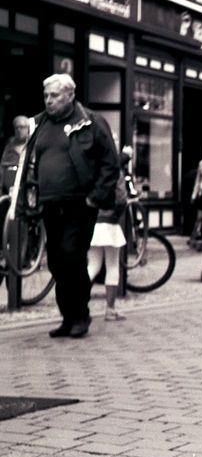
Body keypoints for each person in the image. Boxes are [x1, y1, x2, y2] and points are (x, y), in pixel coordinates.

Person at [19, 74, 120, 338]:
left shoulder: (92, 122)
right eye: (46, 96)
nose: (49, 101)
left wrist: (95, 198)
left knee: (72, 255)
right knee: (56, 261)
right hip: (49, 203)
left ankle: (80, 315)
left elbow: (110, 163)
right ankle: (68, 317)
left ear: (70, 95)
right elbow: (28, 161)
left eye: (54, 96)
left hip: (80, 203)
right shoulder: (39, 124)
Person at [87, 143, 130, 322]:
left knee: (92, 266)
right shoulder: (115, 172)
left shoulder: (91, 170)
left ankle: (78, 304)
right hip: (110, 222)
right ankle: (110, 309)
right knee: (112, 265)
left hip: (93, 222)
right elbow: (121, 198)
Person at [1, 115, 31, 194]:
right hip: (8, 192)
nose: (18, 130)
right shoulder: (9, 147)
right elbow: (2, 168)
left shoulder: (33, 145)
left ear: (28, 128)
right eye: (16, 127)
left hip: (27, 191)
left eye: (21, 127)